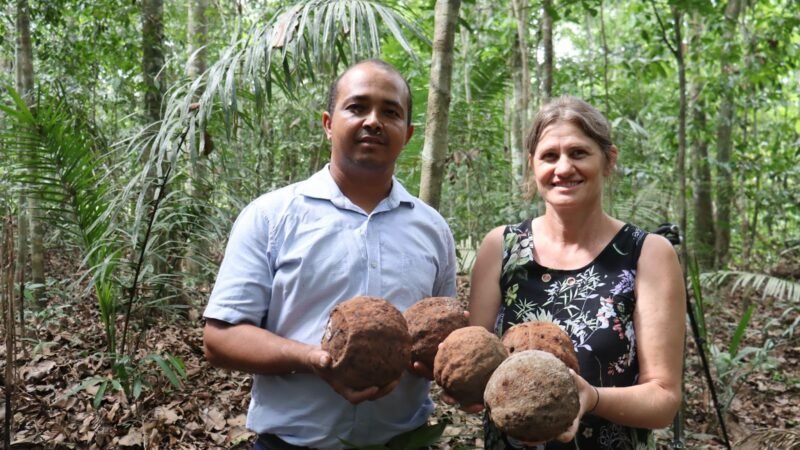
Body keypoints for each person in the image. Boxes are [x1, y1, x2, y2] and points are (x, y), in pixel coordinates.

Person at [202, 59, 457, 450]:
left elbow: (441, 338)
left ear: (407, 134)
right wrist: (312, 358)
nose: (373, 120)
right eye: (357, 107)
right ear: (328, 123)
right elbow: (219, 338)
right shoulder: (271, 217)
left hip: (405, 441)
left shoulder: (433, 229)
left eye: (390, 112)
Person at [467, 96, 686, 450]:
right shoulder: (501, 247)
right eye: (549, 156)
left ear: (608, 160)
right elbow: (476, 366)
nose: (563, 168)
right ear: (532, 166)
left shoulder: (647, 254)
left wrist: (592, 397)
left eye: (579, 153)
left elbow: (663, 400)